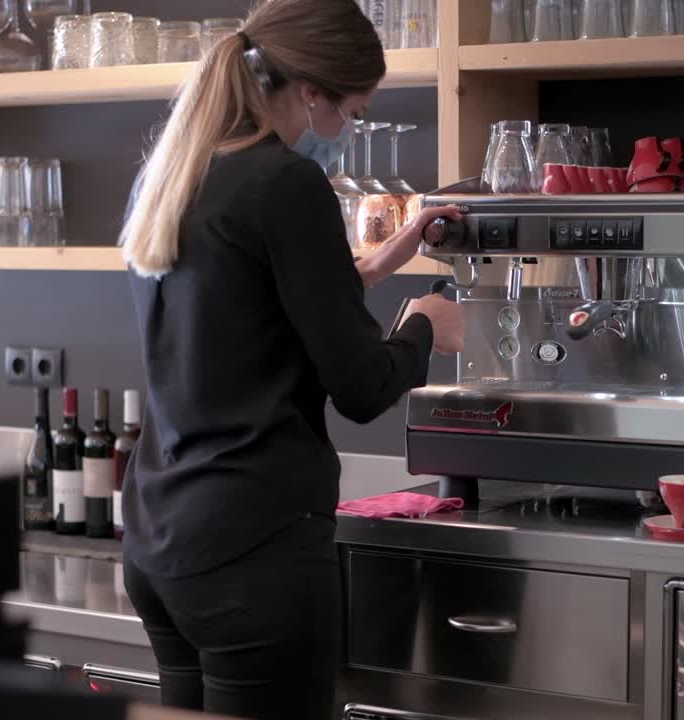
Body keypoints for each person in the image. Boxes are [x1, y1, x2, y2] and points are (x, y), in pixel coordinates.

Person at [116, 1, 463, 718]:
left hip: (160, 543)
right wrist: (424, 324)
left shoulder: (181, 173)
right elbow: (363, 388)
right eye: (352, 113)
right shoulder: (287, 183)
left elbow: (243, 303)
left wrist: (370, 267)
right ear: (311, 92)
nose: (345, 131)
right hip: (253, 550)